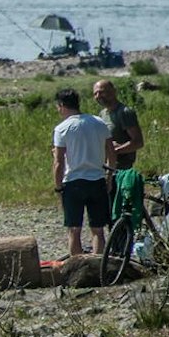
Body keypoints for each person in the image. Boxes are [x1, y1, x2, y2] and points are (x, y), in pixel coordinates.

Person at [52, 86, 114, 258]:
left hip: (73, 181)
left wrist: (58, 187)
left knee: (74, 229)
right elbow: (111, 152)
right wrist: (109, 176)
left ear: (62, 105)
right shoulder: (98, 122)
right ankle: (98, 265)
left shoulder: (62, 128)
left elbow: (58, 161)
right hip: (97, 179)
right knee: (98, 230)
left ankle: (77, 266)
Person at [93, 78, 143, 172]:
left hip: (122, 169)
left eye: (102, 92)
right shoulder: (102, 114)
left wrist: (115, 150)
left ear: (113, 92)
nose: (98, 96)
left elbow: (138, 142)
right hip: (106, 167)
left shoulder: (124, 112)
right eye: (95, 94)